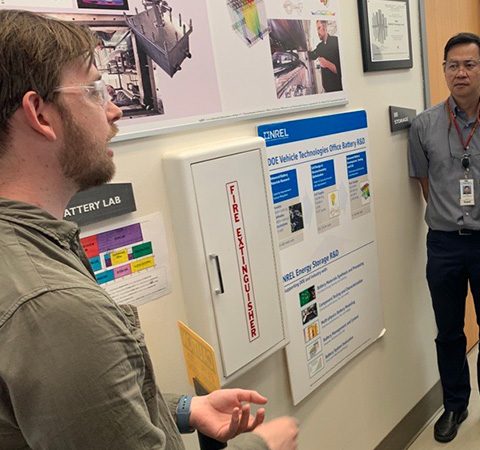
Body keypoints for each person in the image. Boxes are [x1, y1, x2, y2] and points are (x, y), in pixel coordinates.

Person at [0, 10, 298, 450]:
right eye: (95, 90)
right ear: (40, 114)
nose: (114, 109)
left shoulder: (30, 249)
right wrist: (262, 446)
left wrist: (184, 409)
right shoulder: (56, 307)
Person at [407, 32, 480, 445]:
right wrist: (453, 213)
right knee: (449, 331)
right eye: (452, 65)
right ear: (443, 71)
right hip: (443, 244)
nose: (460, 72)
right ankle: (455, 404)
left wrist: (479, 213)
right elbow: (426, 183)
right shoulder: (423, 125)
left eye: (469, 64)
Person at [308, 20, 342, 93]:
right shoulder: (320, 46)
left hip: (337, 89)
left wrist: (327, 64)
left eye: (319, 28)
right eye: (317, 29)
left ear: (325, 26)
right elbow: (312, 55)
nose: (318, 33)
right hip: (327, 89)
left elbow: (341, 70)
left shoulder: (336, 42)